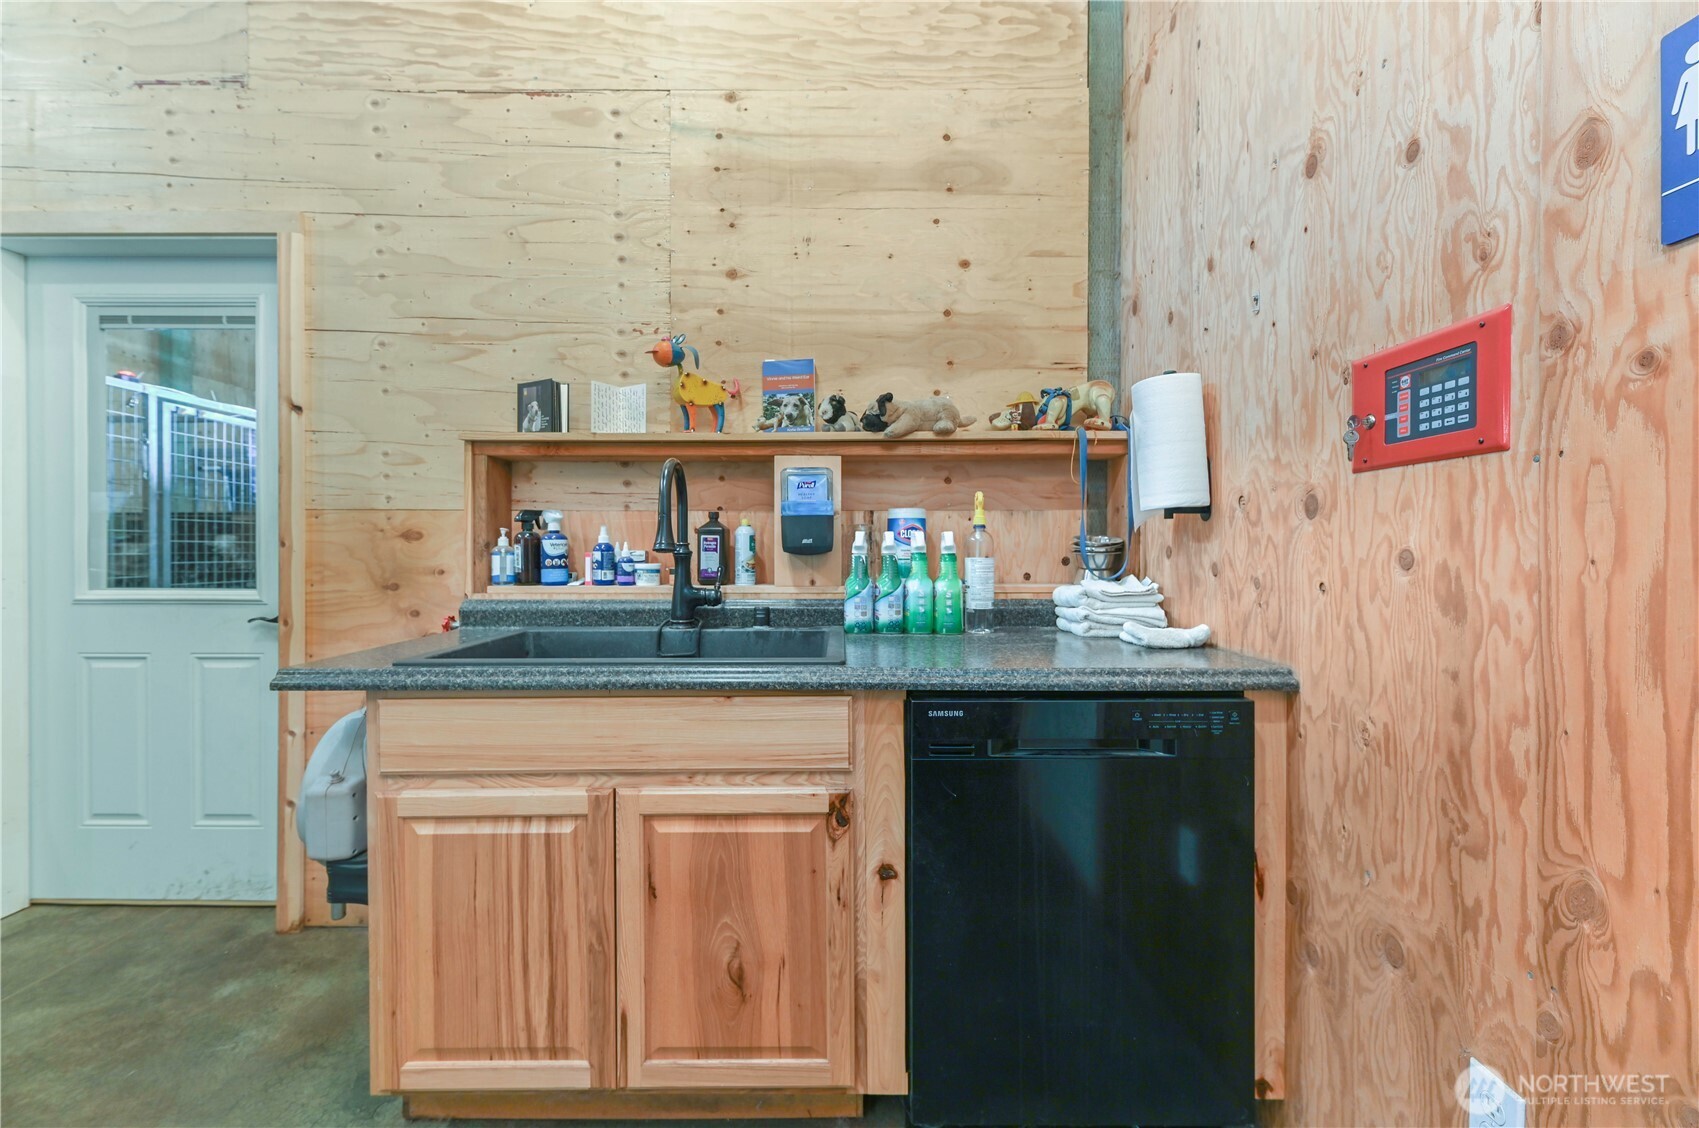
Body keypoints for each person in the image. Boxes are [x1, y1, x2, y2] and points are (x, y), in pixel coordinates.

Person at [1675, 39, 1699, 157]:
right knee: (1691, 124)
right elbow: (1680, 91)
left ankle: (1693, 149)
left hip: (1689, 105)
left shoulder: (1687, 73)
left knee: (1692, 124)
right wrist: (1675, 109)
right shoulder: (1687, 73)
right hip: (1689, 104)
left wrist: (1676, 109)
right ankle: (1691, 150)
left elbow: (1680, 91)